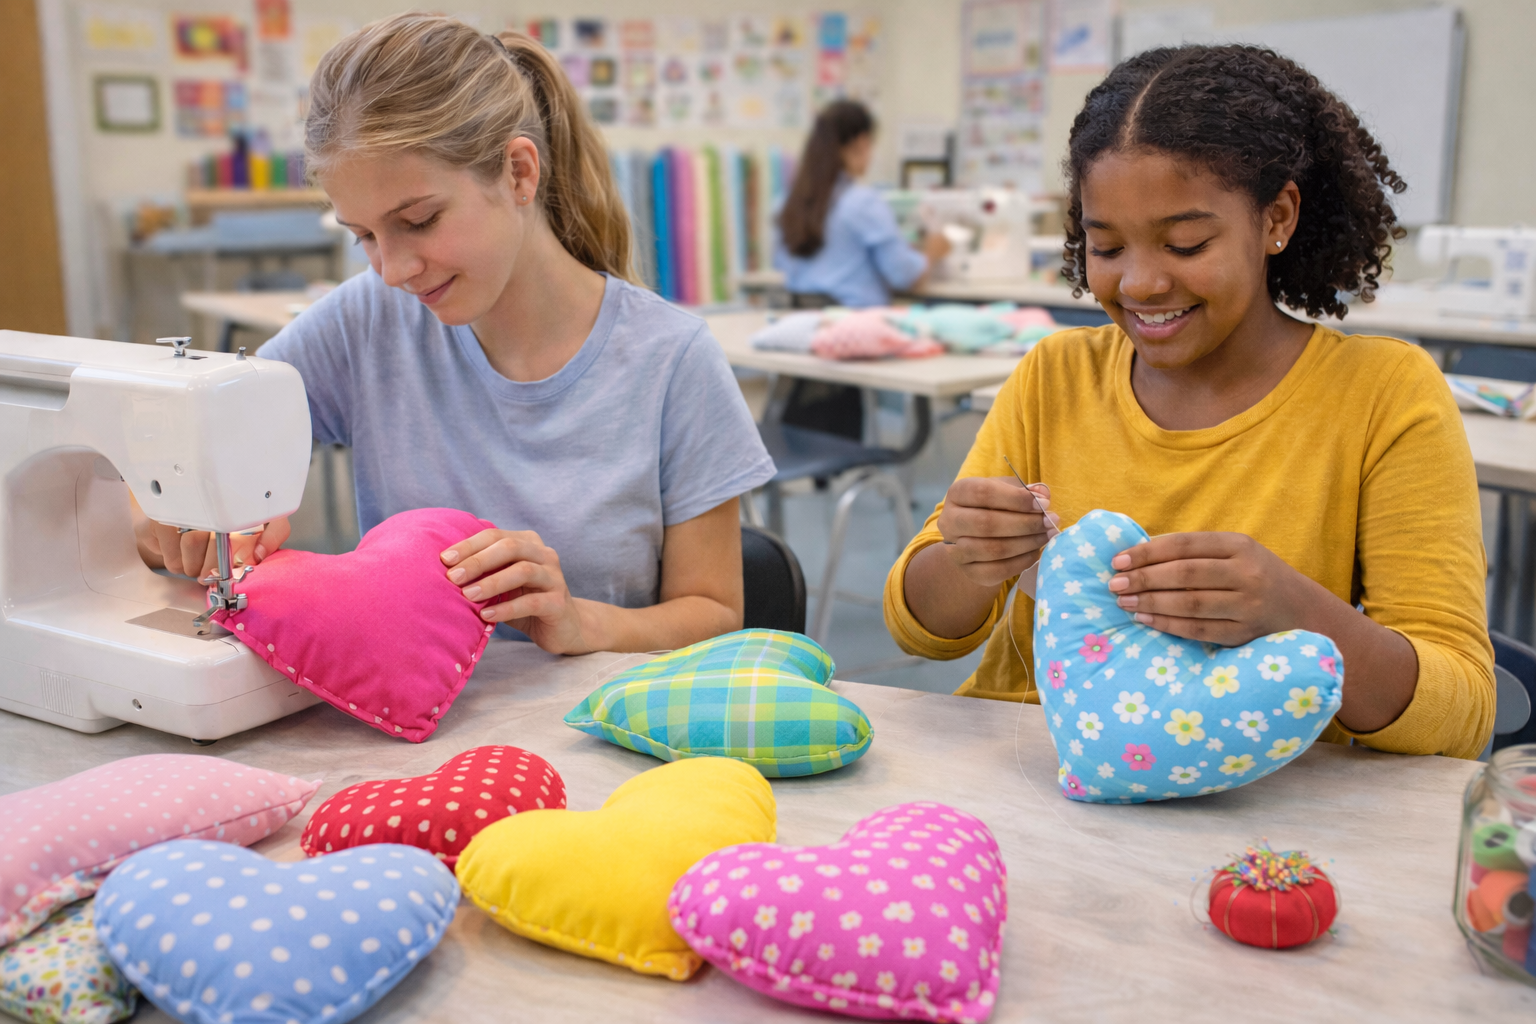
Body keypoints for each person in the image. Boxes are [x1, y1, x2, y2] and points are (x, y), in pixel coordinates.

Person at [884, 45, 1494, 759]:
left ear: (1278, 218)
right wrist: (968, 557)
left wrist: (1294, 611)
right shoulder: (1055, 375)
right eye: (1105, 248)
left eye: (1186, 243)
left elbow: (1460, 717)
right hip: (1041, 771)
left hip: (1254, 793)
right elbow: (920, 630)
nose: (1140, 283)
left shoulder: (1381, 396)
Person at [133, 13, 776, 656]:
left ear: (520, 174)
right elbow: (178, 462)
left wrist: (580, 623)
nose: (391, 270)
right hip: (414, 724)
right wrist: (178, 510)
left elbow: (715, 615)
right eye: (363, 237)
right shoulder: (365, 323)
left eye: (418, 220)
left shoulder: (673, 361)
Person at [775, 100, 950, 308]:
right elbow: (905, 276)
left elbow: (782, 264)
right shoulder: (863, 202)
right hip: (854, 326)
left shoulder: (785, 203)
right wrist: (932, 251)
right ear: (862, 142)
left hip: (804, 327)